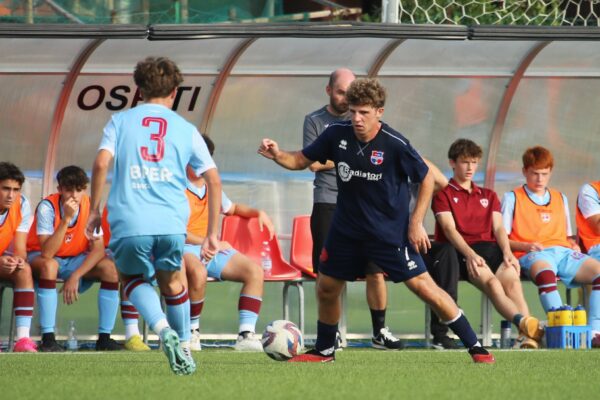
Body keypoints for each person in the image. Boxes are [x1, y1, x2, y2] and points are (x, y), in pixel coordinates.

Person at [258, 78, 495, 363]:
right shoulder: (336, 134)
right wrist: (277, 155)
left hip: (388, 235)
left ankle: (476, 346)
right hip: (345, 232)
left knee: (424, 288)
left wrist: (416, 223)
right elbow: (300, 160)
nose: (357, 118)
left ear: (379, 112)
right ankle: (324, 350)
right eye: (353, 111)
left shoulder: (394, 144)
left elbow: (427, 177)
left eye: (364, 113)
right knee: (326, 287)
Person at [86, 56, 222, 375]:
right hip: (173, 222)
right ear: (175, 91)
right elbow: (214, 179)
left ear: (138, 90)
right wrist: (213, 232)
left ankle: (163, 331)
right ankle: (185, 346)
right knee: (174, 283)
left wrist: (93, 210)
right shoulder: (187, 129)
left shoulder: (120, 122)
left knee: (132, 278)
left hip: (130, 220)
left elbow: (101, 164)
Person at [303, 68, 403, 349]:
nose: (346, 100)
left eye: (350, 93)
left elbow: (378, 159)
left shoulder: (359, 119)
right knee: (328, 272)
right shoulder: (315, 121)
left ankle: (379, 331)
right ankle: (329, 332)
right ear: (329, 91)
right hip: (328, 202)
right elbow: (312, 162)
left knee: (375, 270)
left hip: (364, 206)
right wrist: (350, 157)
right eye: (340, 92)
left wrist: (341, 157)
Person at [430, 139, 542, 349]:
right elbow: (449, 230)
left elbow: (499, 229)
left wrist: (508, 252)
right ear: (452, 163)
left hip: (492, 250)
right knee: (492, 284)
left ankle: (526, 338)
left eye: (474, 162)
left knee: (512, 282)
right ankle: (526, 324)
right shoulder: (443, 195)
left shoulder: (488, 195)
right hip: (463, 252)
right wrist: (470, 254)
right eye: (465, 162)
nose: (470, 167)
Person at [502, 146, 600, 347]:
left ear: (550, 173)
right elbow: (501, 238)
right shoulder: (512, 198)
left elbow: (567, 236)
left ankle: (594, 332)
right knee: (546, 272)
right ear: (524, 171)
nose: (539, 179)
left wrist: (573, 245)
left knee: (598, 271)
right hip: (532, 254)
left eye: (544, 174)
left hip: (562, 253)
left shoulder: (560, 197)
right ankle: (561, 330)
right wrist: (525, 245)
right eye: (534, 174)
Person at [185, 135, 273, 352]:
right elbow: (173, 231)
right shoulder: (173, 186)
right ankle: (192, 332)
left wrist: (258, 212)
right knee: (198, 272)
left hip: (211, 248)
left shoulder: (211, 185)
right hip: (183, 248)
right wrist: (210, 241)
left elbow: (232, 208)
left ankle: (246, 335)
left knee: (254, 271)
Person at [27, 165, 122, 352]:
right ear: (60, 189)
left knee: (110, 269)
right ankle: (48, 338)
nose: (74, 195)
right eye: (69, 189)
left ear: (84, 189)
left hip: (74, 260)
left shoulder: (90, 206)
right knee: (49, 266)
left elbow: (98, 249)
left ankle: (104, 338)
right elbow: (47, 252)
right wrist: (66, 220)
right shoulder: (47, 207)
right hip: (41, 256)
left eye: (79, 190)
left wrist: (75, 276)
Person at [101, 208, 150, 351]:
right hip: (111, 248)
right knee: (131, 263)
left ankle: (184, 335)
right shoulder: (120, 201)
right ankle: (131, 334)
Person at [0, 162, 37, 352]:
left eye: (15, 189)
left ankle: (22, 340)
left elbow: (20, 247)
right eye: (6, 188)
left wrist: (18, 259)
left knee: (24, 269)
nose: (11, 195)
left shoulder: (22, 204)